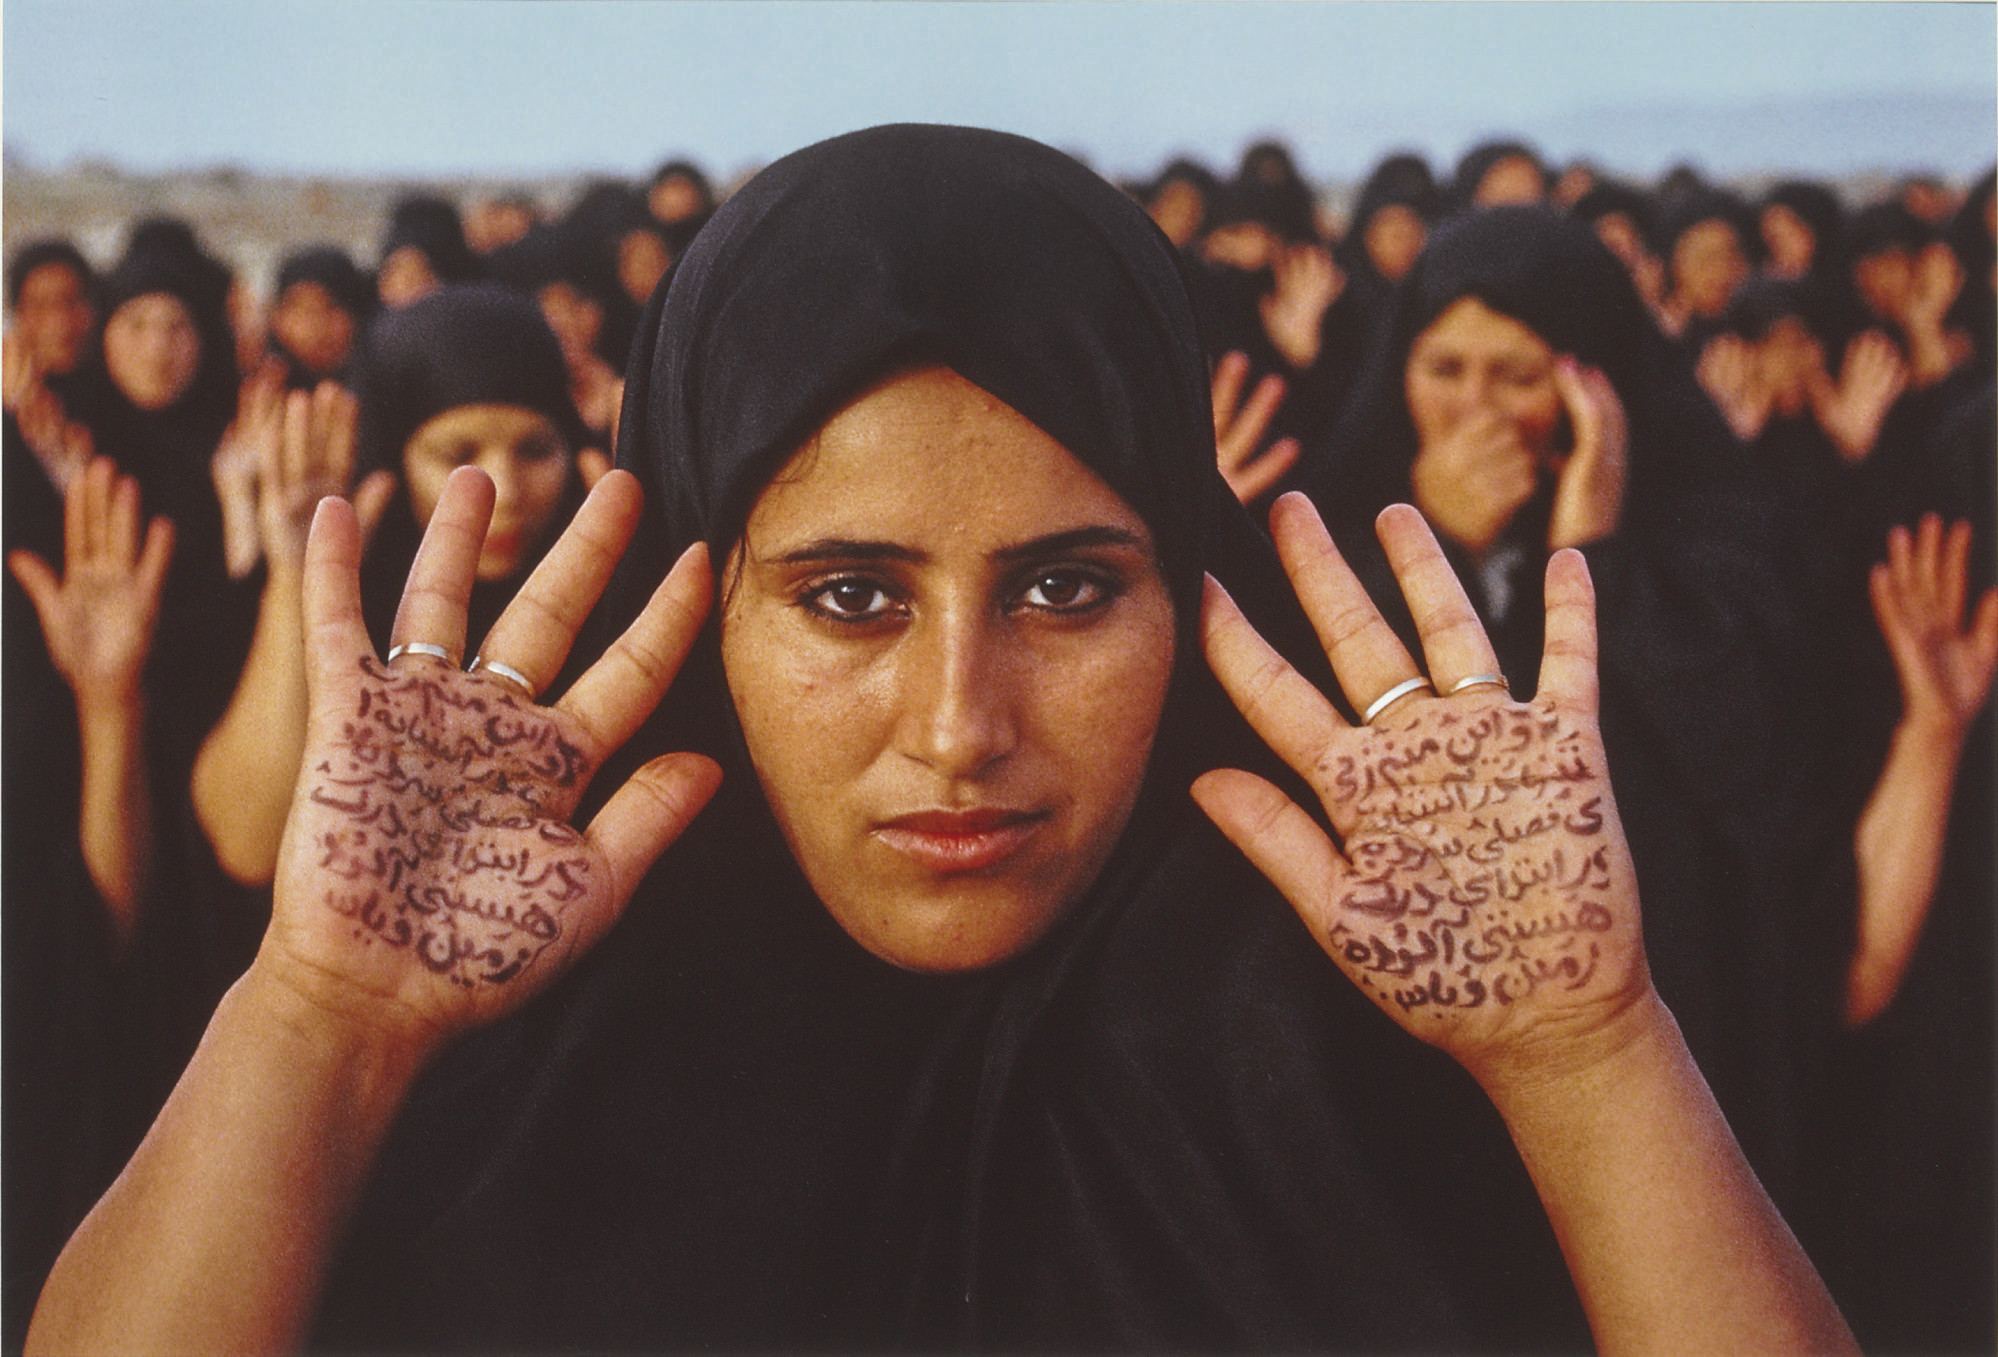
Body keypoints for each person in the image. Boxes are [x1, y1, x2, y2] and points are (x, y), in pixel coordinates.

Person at [29, 126, 1853, 1355]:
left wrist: (1588, 1055)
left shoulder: (1387, 1024)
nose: (959, 724)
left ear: (1189, 592)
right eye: (847, 597)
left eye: (1066, 592)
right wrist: (319, 1021)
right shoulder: (496, 1035)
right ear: (700, 607)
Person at [192, 284, 598, 888]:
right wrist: (294, 582)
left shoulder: (605, 599)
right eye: (458, 453)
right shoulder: (350, 593)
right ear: (396, 452)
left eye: (535, 450)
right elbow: (248, 845)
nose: (503, 491)